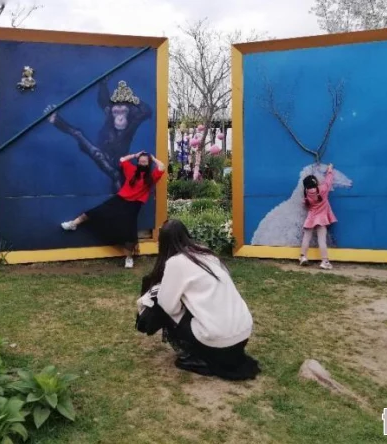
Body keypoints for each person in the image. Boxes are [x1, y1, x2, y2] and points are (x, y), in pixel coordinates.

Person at [143, 219, 260, 380]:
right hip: (243, 333)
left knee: (161, 304)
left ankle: (197, 355)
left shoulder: (175, 262)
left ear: (162, 243)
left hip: (218, 339)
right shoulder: (206, 253)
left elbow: (168, 306)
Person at [61, 151, 164, 268]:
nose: (142, 163)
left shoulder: (152, 176)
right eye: (140, 161)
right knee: (99, 211)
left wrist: (153, 158)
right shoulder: (132, 170)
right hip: (120, 199)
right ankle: (73, 224)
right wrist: (135, 155)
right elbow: (122, 160)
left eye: (144, 162)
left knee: (129, 230)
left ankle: (129, 258)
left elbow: (162, 167)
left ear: (148, 163)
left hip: (135, 204)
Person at [299, 163, 336, 270]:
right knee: (322, 240)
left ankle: (303, 257)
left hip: (311, 218)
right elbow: (328, 181)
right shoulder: (323, 190)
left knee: (306, 238)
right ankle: (325, 261)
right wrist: (329, 170)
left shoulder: (306, 196)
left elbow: (306, 204)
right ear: (316, 183)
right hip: (322, 219)